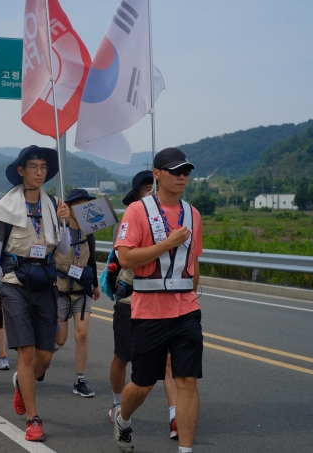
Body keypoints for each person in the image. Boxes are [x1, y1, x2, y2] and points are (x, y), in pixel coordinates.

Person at [112, 148, 203, 453]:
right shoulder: (138, 211)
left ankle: (185, 450)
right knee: (143, 384)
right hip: (149, 311)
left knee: (187, 380)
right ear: (157, 173)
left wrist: (191, 291)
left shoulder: (193, 214)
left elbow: (194, 260)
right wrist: (168, 243)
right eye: (176, 171)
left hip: (186, 310)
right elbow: (125, 258)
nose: (182, 177)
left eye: (186, 172)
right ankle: (123, 418)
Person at [0, 145, 70, 441]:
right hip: (13, 282)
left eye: (43, 167)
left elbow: (65, 249)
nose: (39, 172)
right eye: (33, 167)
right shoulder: (6, 207)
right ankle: (33, 418)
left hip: (45, 281)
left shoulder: (54, 204)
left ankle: (22, 383)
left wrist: (65, 222)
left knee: (46, 355)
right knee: (28, 352)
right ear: (21, 171)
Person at [109, 170, 179, 439]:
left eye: (154, 187)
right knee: (123, 356)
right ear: (137, 194)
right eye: (146, 189)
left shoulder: (175, 219)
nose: (152, 192)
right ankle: (118, 403)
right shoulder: (130, 219)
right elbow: (128, 257)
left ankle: (175, 416)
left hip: (166, 300)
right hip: (132, 299)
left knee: (170, 362)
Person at [53, 189, 100, 398]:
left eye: (86, 205)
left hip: (82, 291)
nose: (83, 209)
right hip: (61, 290)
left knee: (82, 334)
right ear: (69, 208)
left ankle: (80, 380)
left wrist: (96, 284)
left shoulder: (88, 231)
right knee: (59, 340)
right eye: (78, 205)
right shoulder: (57, 229)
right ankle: (40, 361)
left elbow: (91, 260)